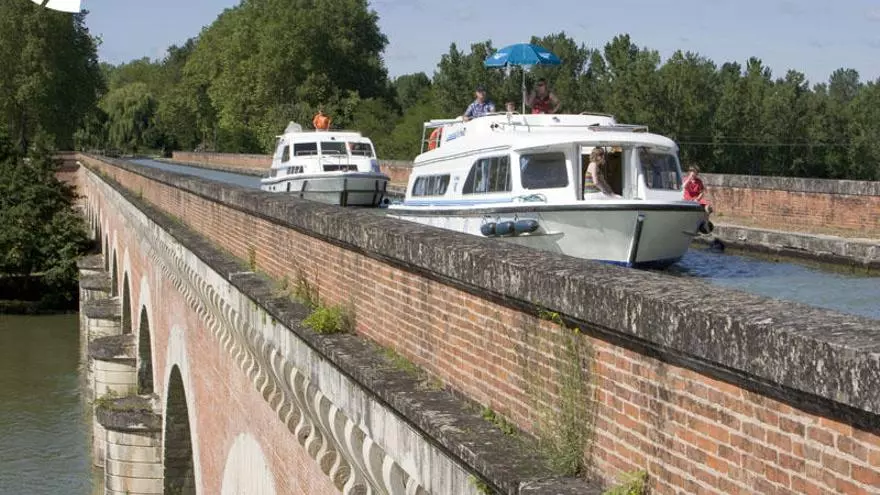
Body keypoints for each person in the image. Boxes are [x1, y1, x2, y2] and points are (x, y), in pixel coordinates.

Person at [682, 165, 714, 233]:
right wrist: (689, 179)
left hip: (696, 198)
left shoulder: (699, 181)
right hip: (688, 198)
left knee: (708, 207)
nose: (694, 174)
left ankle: (706, 223)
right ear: (690, 172)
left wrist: (697, 199)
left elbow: (702, 192)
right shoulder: (686, 179)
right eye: (693, 172)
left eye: (696, 173)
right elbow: (684, 186)